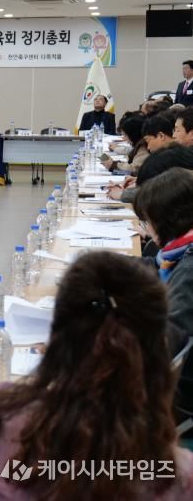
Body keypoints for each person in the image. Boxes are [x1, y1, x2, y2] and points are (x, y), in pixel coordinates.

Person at [0, 251, 193, 500]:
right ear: (158, 351)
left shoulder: (2, 415)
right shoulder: (178, 476)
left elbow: (23, 475)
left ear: (56, 335)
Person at [135, 167, 193, 413]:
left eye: (147, 222)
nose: (146, 229)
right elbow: (158, 266)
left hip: (181, 384)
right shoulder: (180, 252)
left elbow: (169, 338)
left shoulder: (189, 268)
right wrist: (106, 266)